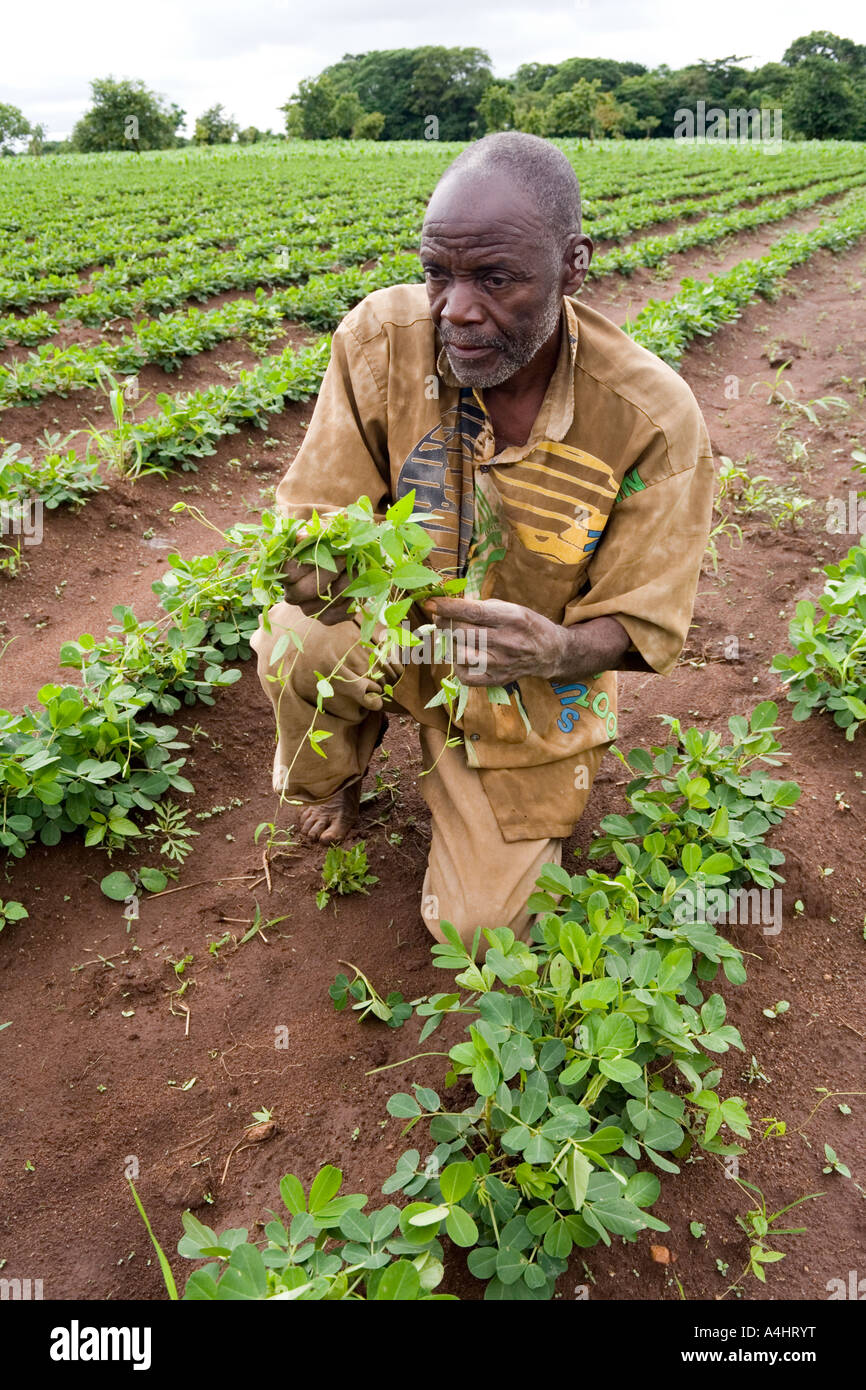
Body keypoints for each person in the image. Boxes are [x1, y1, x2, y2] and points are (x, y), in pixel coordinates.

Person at [251, 132, 714, 946]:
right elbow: (311, 524)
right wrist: (315, 566)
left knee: (476, 934)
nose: (457, 308)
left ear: (573, 266)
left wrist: (554, 652)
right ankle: (338, 776)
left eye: (495, 279)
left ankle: (482, 796)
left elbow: (645, 622)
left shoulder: (649, 417)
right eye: (438, 272)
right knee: (300, 644)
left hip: (526, 684)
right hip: (395, 637)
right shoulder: (379, 343)